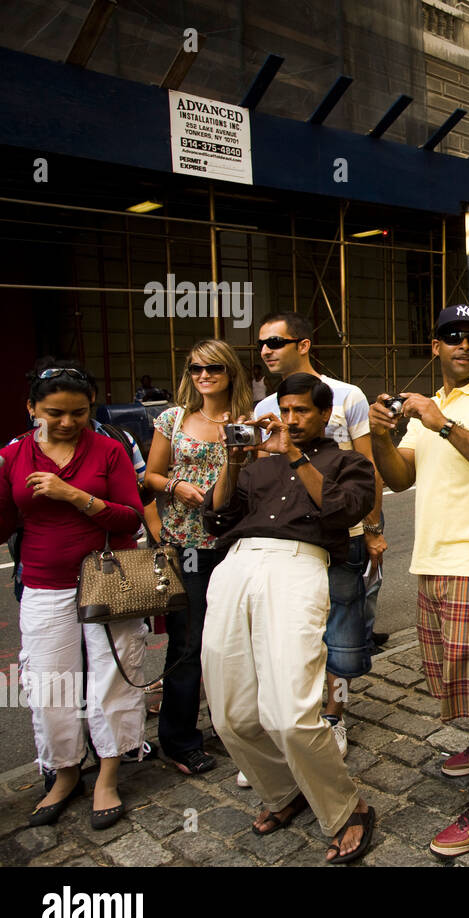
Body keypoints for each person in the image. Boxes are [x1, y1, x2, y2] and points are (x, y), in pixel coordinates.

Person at [369, 305, 469, 857]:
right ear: (435, 346)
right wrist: (381, 438)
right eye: (452, 336)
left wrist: (445, 424)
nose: (464, 344)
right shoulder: (432, 408)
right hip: (433, 561)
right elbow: (400, 478)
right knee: (468, 679)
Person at [201, 373, 377, 863]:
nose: (293, 420)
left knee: (290, 713)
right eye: (286, 410)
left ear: (325, 415)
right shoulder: (257, 465)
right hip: (237, 563)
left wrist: (295, 455)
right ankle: (283, 790)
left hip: (300, 566)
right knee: (230, 714)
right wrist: (233, 462)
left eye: (303, 411)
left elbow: (340, 511)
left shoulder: (349, 462)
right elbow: (216, 517)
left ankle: (348, 810)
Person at [0, 365, 147, 830]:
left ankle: (109, 774)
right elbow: (0, 528)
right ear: (31, 409)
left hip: (108, 576)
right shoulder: (13, 454)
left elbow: (131, 520)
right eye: (53, 413)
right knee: (48, 682)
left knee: (115, 675)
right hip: (43, 581)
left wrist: (74, 495)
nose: (66, 422)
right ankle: (63, 773)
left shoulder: (109, 450)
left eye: (78, 412)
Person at [254, 312, 386, 764]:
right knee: (293, 635)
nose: (267, 350)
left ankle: (335, 715)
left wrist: (372, 531)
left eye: (275, 340)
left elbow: (368, 468)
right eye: (261, 344)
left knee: (341, 634)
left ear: (303, 344)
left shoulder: (348, 396)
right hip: (288, 542)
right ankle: (298, 717)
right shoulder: (262, 408)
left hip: (343, 533)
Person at [143, 340, 254, 776]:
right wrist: (176, 487)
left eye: (213, 368)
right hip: (188, 544)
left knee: (235, 641)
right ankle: (178, 740)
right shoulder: (172, 419)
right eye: (195, 369)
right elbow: (150, 475)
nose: (204, 375)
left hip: (236, 540)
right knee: (188, 644)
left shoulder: (246, 421)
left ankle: (234, 728)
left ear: (230, 373)